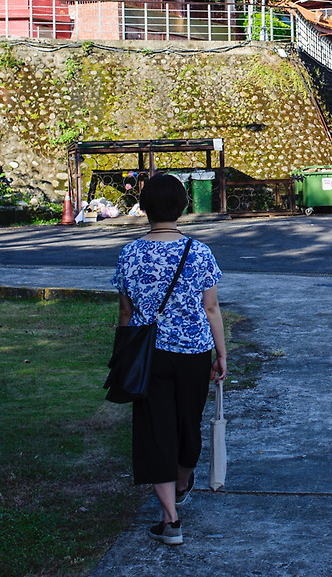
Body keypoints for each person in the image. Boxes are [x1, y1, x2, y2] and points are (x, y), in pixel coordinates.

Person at [111, 174, 227, 547]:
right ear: (182, 206)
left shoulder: (130, 253)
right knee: (187, 425)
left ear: (143, 207)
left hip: (149, 355)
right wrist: (221, 353)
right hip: (194, 352)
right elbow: (211, 308)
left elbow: (126, 313)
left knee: (154, 431)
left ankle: (171, 519)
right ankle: (179, 489)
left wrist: (122, 355)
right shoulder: (199, 252)